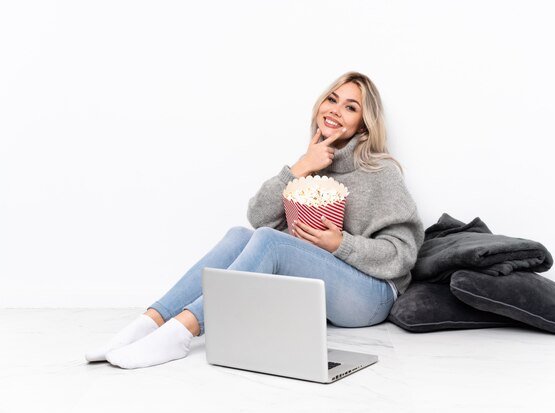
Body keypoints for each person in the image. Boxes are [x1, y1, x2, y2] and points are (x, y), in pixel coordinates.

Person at [85, 71, 425, 369]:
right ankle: (149, 323)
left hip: (374, 296)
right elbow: (258, 218)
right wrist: (299, 168)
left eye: (350, 107)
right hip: (328, 290)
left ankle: (181, 332)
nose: (335, 110)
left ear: (364, 123)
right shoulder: (314, 163)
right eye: (332, 99)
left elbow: (404, 253)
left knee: (269, 241)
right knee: (238, 235)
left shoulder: (380, 172)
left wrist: (341, 244)